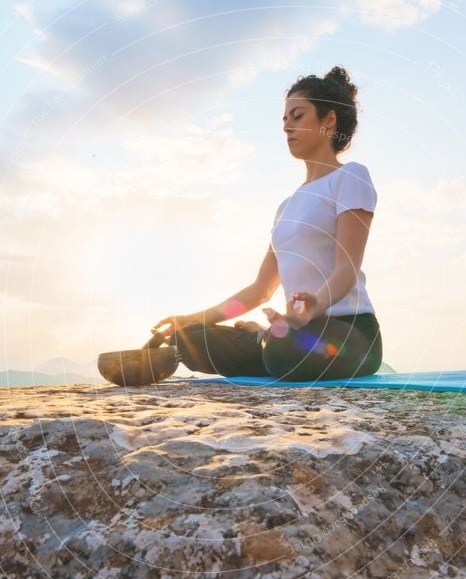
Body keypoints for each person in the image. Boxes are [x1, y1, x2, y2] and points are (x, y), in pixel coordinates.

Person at [150, 65, 383, 382]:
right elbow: (260, 291)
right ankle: (267, 339)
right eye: (285, 119)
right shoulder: (286, 207)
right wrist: (190, 320)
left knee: (283, 347)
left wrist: (313, 308)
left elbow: (347, 268)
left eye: (297, 116)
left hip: (349, 333)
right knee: (191, 339)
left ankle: (268, 340)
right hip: (296, 332)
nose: (287, 126)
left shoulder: (351, 176)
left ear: (329, 120)